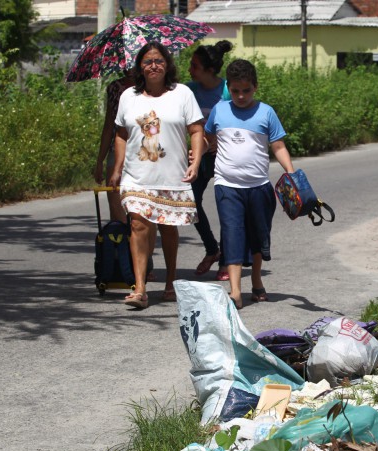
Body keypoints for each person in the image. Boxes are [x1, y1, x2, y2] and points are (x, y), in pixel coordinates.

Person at [109, 42, 204, 309]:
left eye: (159, 61)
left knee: (168, 228)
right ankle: (140, 288)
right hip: (136, 176)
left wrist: (195, 162)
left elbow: (196, 130)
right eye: (148, 61)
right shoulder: (129, 96)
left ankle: (170, 280)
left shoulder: (182, 93)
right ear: (140, 66)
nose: (154, 65)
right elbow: (120, 134)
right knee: (138, 225)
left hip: (171, 175)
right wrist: (117, 168)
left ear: (167, 65)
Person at [204, 59, 296, 310]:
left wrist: (291, 174)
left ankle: (256, 279)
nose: (241, 96)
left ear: (255, 87)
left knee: (258, 237)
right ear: (228, 88)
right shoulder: (219, 111)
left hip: (259, 187)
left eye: (246, 90)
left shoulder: (266, 112)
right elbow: (208, 136)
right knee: (232, 234)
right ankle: (235, 291)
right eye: (235, 91)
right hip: (227, 186)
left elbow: (278, 146)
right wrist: (198, 153)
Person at [186, 41, 233, 281]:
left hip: (225, 155)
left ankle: (225, 260)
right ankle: (212, 249)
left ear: (209, 70)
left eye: (194, 66)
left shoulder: (227, 89)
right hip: (199, 156)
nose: (190, 70)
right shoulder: (188, 90)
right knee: (191, 202)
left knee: (227, 206)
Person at [94, 69, 134, 223]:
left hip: (144, 150)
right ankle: (123, 241)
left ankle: (135, 241)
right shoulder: (115, 88)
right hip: (116, 148)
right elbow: (109, 126)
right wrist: (100, 160)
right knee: (115, 200)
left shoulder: (151, 87)